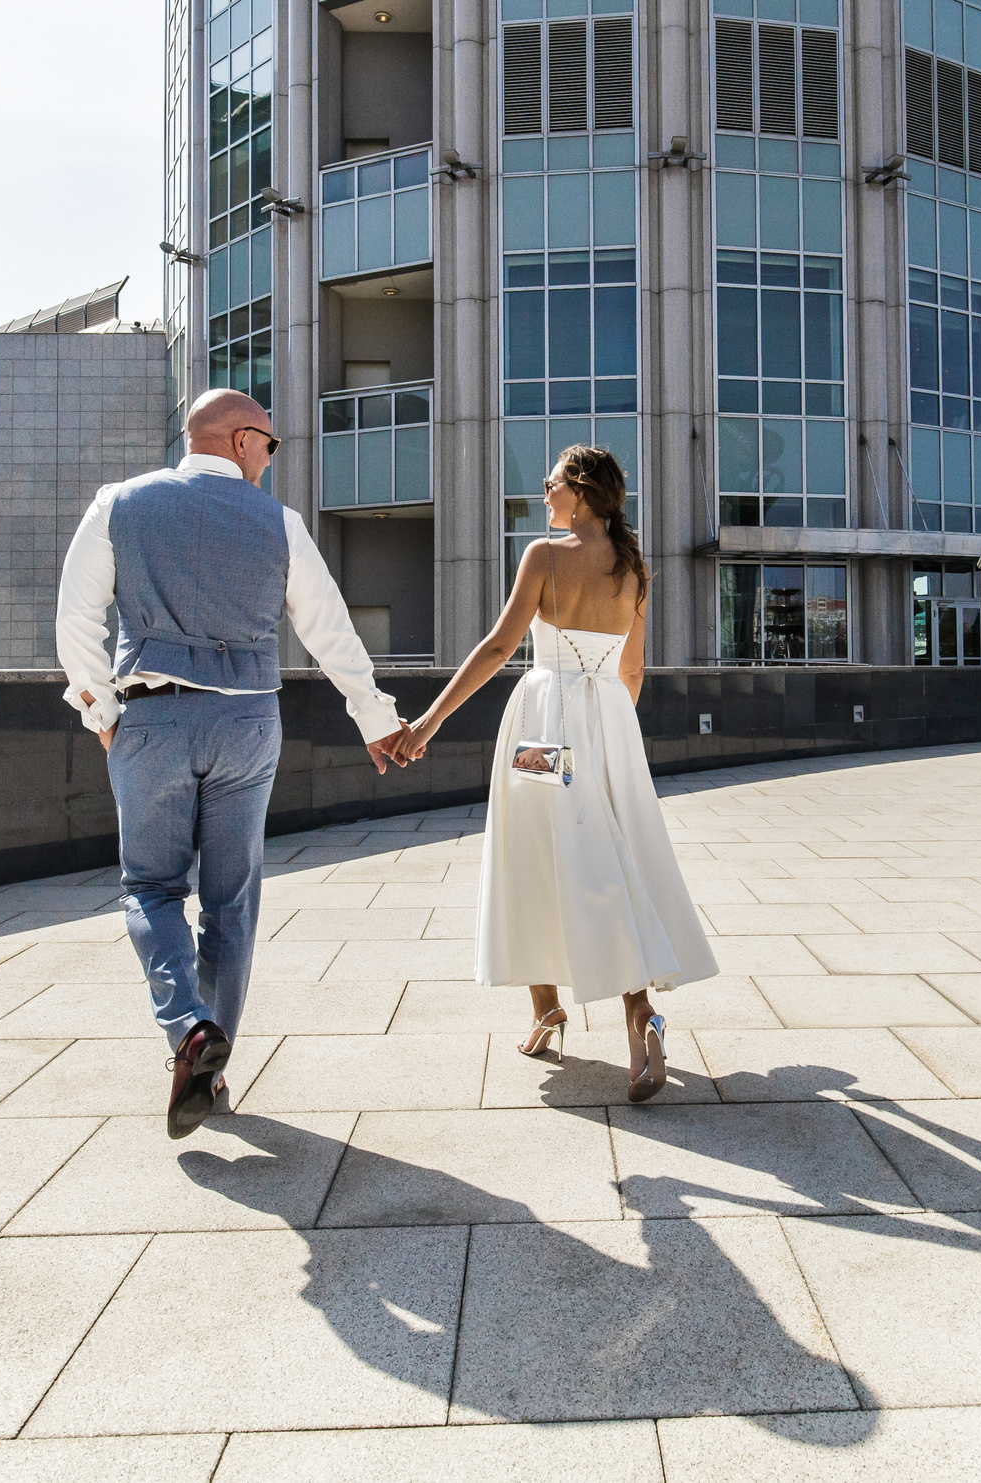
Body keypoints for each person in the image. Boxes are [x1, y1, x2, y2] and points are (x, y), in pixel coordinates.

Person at [57, 388, 405, 1137]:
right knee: (232, 901)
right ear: (242, 440)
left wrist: (102, 714)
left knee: (150, 887)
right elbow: (330, 630)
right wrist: (374, 719)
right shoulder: (278, 523)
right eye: (270, 445)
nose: (270, 461)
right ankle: (210, 1072)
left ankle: (189, 1028)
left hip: (153, 715)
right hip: (247, 720)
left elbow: (75, 620)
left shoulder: (119, 504)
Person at [391, 445, 716, 1101]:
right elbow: (632, 671)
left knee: (531, 854)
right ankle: (637, 1015)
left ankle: (548, 1009)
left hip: (543, 726)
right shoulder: (634, 567)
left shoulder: (543, 555)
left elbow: (498, 647)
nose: (544, 493)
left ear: (582, 491)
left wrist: (427, 721)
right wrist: (606, 735)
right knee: (609, 857)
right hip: (610, 725)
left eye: (553, 483)